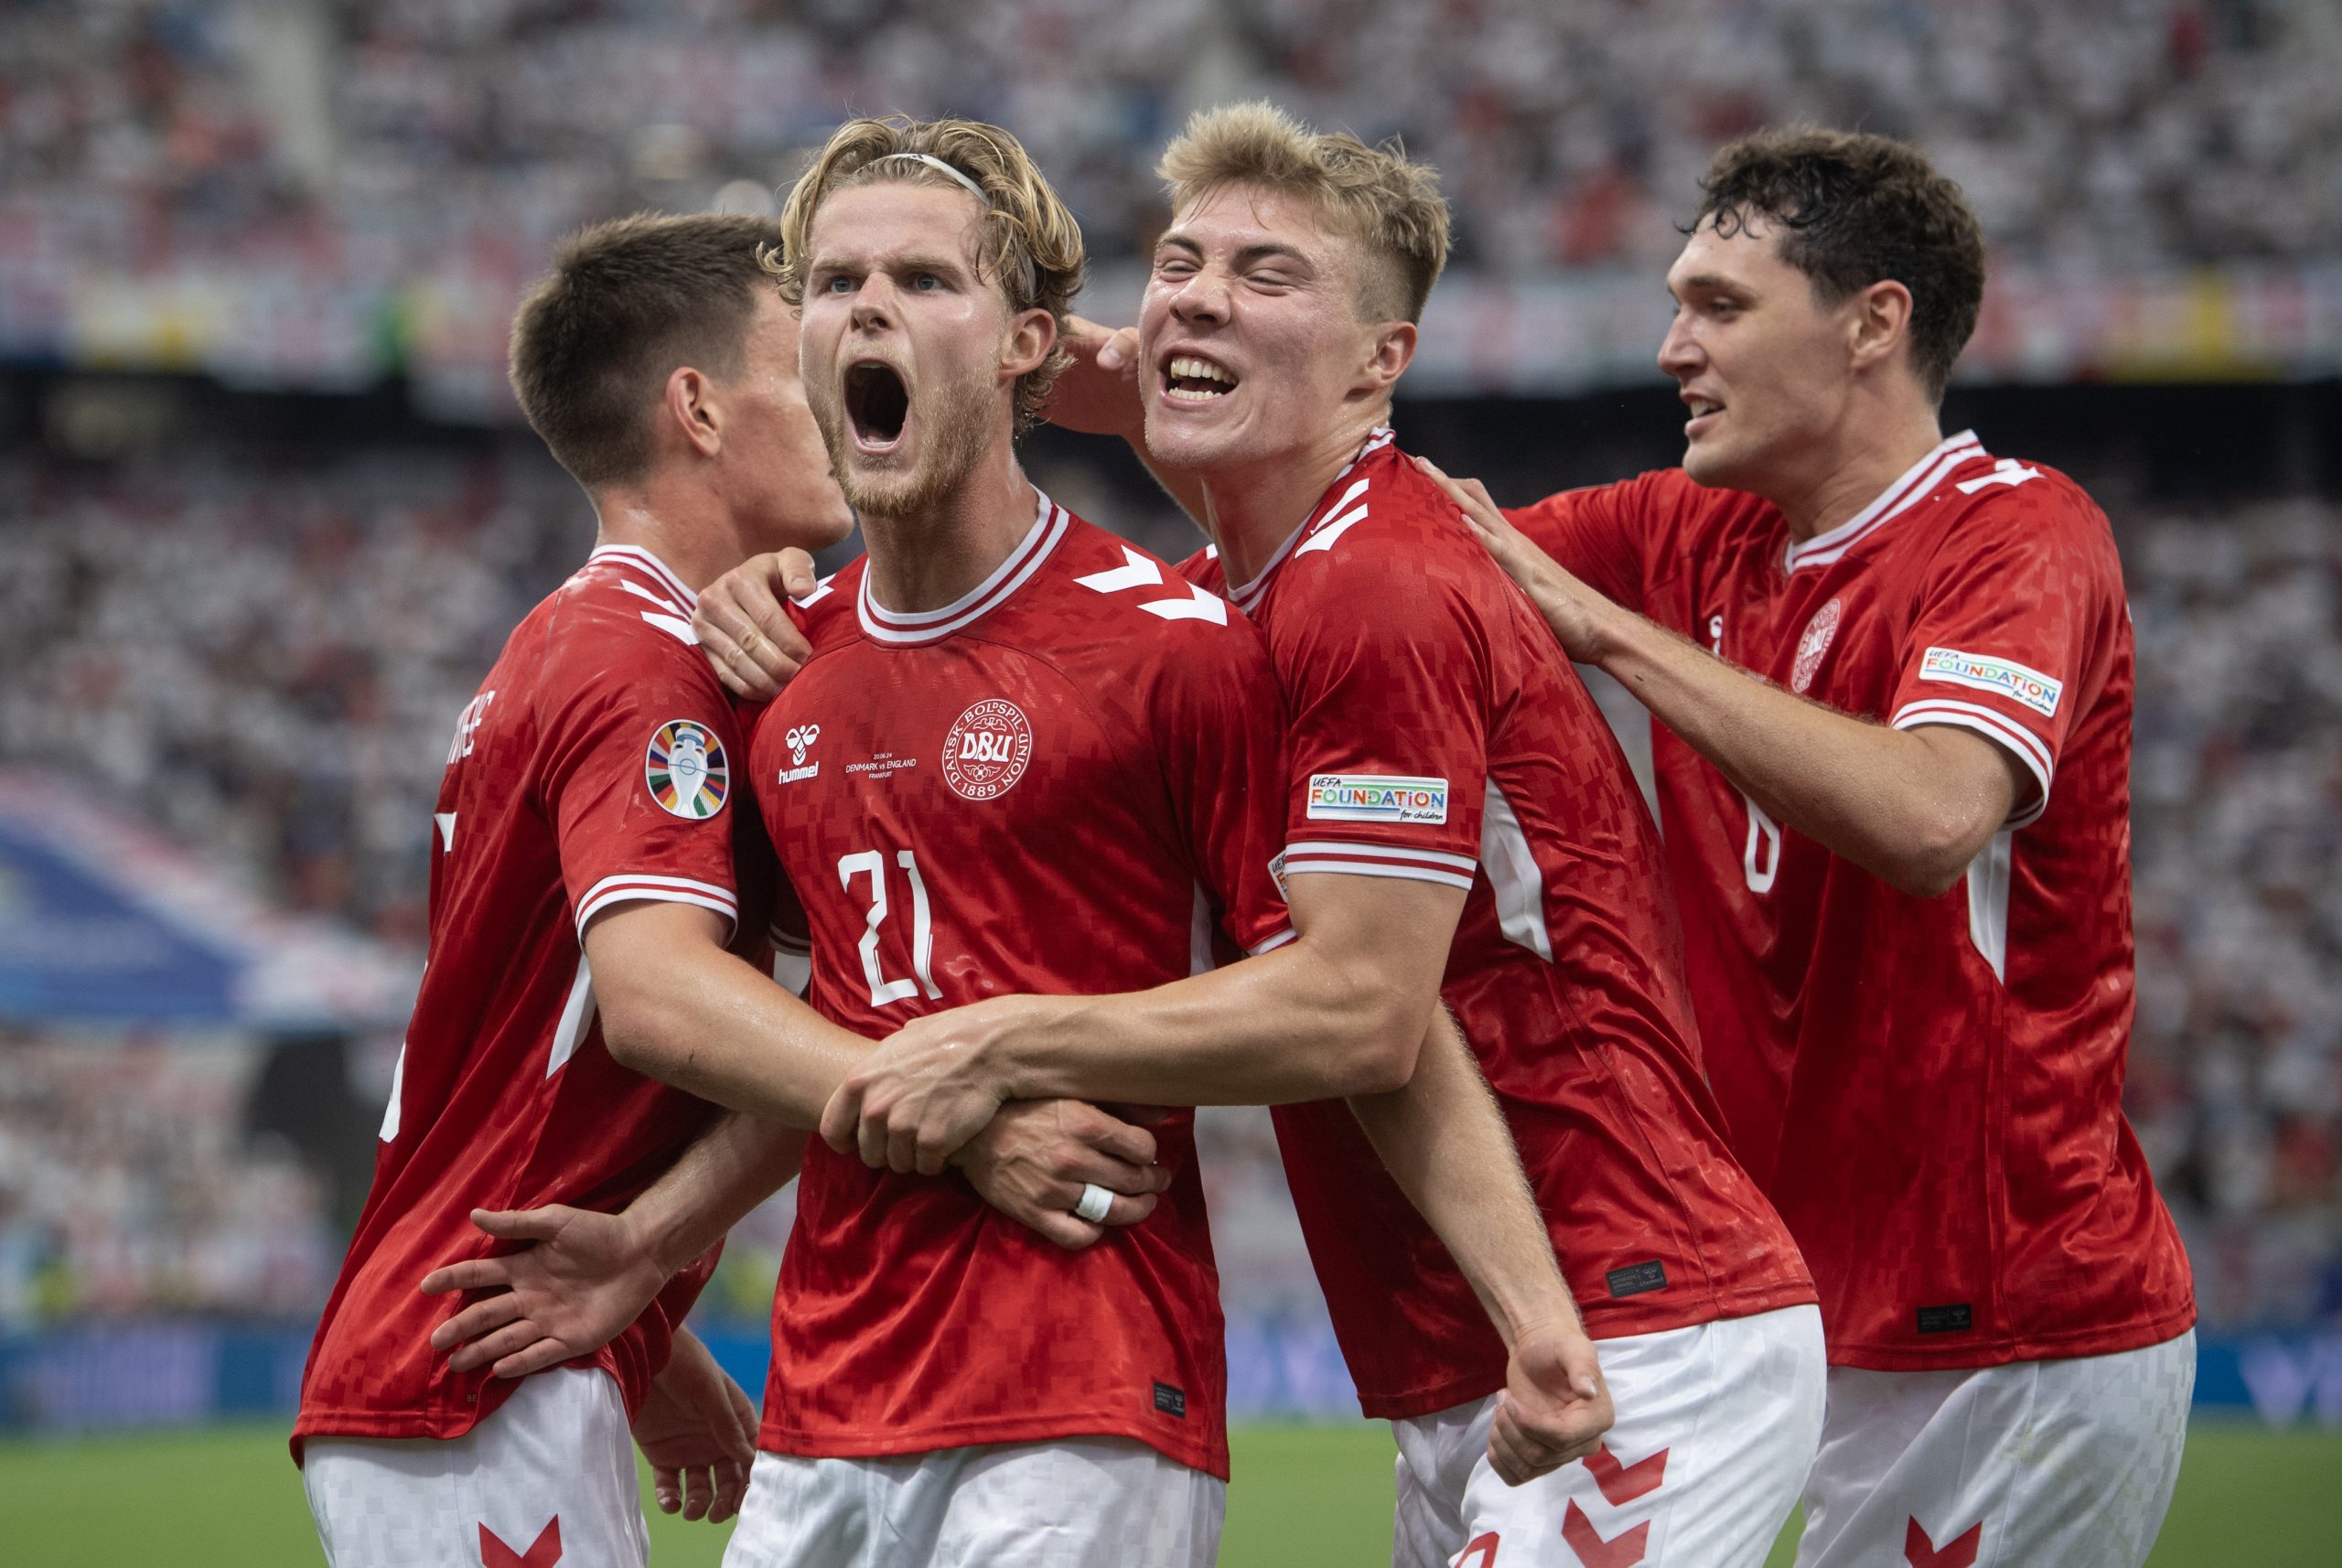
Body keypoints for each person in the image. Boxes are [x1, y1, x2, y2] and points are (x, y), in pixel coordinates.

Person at [429, 116, 1607, 1568]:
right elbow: (844, 1037)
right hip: (821, 1411)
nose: (871, 307)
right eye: (837, 282)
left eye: (927, 280)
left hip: (1084, 1394)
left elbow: (1365, 1010)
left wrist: (1529, 1306)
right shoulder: (776, 665)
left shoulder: (1173, 649)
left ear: (1024, 345)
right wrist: (657, 1237)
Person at [703, 103, 1823, 1568]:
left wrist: (998, 1046)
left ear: (1383, 364)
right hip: (1486, 1334)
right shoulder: (1237, 598)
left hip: (1638, 1296)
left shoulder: (1373, 587)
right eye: (1177, 260)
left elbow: (1364, 1006)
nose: (1203, 294)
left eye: (1271, 272)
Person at [294, 211, 1159, 1568]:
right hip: (468, 1366)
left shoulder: (580, 645)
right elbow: (652, 998)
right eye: (789, 357)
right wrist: (965, 1117)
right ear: (697, 407)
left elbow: (561, 1053)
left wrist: (652, 1292)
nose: (829, 389)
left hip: (487, 1337)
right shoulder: (643, 668)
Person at [1418, 128, 2197, 1568]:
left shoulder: (2019, 533)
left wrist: (1607, 635)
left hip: (2007, 1325)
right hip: (1789, 1308)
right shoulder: (1695, 531)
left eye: (1719, 304)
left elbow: (1928, 813)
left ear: (1872, 324)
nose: (1671, 348)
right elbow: (1402, 565)